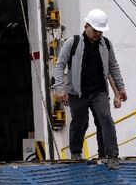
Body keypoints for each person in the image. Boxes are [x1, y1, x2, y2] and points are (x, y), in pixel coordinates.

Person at [53, 9, 127, 170]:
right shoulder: (72, 42)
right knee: (80, 123)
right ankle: (76, 153)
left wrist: (120, 88)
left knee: (105, 118)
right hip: (77, 92)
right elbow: (59, 66)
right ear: (86, 26)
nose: (98, 34)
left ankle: (110, 155)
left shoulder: (106, 44)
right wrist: (59, 88)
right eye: (95, 30)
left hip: (99, 91)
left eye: (100, 31)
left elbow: (113, 66)